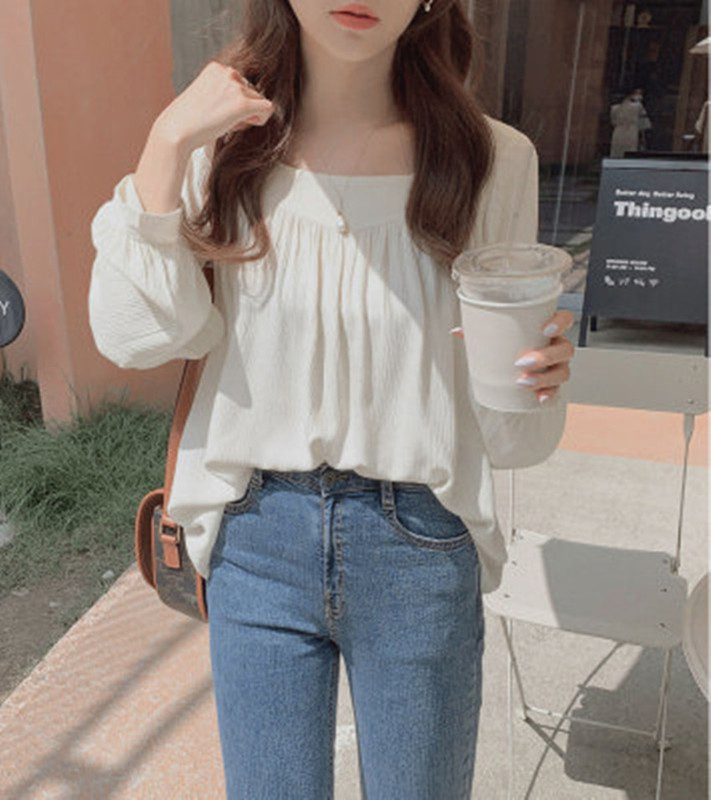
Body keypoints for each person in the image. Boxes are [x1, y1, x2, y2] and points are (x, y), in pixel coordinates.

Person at [88, 1, 575, 797]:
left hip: (419, 545)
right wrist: (167, 141)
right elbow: (135, 335)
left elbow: (513, 438)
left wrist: (534, 378)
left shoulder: (490, 159)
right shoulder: (219, 148)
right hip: (256, 543)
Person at [610, 88, 651, 157]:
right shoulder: (638, 106)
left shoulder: (614, 108)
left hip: (620, 132)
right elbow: (644, 125)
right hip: (631, 132)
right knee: (628, 152)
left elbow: (613, 122)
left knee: (618, 152)